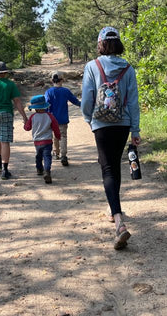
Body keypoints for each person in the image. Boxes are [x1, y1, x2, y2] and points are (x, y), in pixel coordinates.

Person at [81, 26, 141, 250]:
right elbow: (133, 101)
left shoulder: (92, 66)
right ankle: (113, 207)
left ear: (100, 44)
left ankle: (118, 222)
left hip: (102, 123)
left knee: (106, 169)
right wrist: (135, 130)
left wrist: (89, 119)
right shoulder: (128, 68)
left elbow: (87, 98)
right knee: (114, 166)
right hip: (123, 123)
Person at [45, 70, 81, 166]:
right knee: (63, 136)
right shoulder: (66, 91)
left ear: (52, 80)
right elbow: (74, 101)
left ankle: (56, 153)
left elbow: (46, 104)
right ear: (62, 80)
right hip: (63, 119)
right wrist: (82, 105)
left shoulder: (49, 92)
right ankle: (63, 155)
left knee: (55, 136)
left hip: (52, 119)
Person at [24, 95, 61, 184]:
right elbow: (56, 128)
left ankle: (39, 169)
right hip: (47, 141)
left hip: (37, 142)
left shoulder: (33, 117)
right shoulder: (50, 116)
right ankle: (47, 171)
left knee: (38, 156)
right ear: (44, 106)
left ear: (35, 108)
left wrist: (25, 124)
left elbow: (27, 128)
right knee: (47, 157)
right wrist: (58, 136)